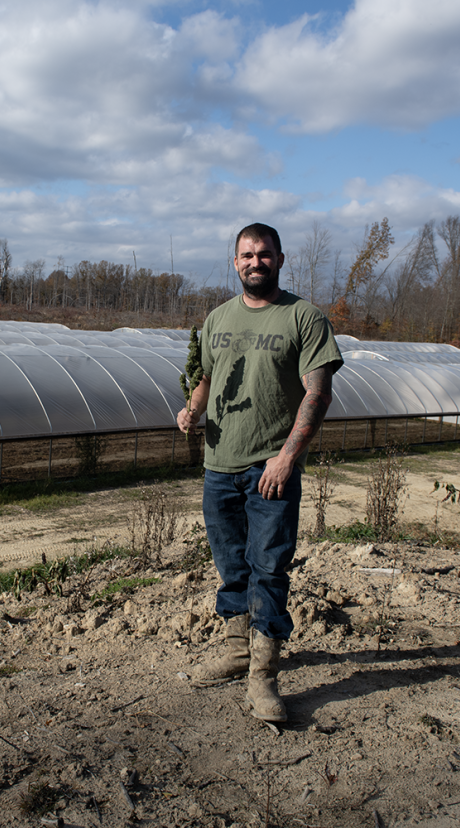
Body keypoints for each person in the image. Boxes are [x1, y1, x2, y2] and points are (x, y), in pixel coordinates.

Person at [176, 222, 342, 722]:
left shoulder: (304, 319)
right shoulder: (217, 318)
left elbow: (318, 394)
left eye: (263, 254)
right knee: (231, 566)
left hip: (271, 466)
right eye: (246, 255)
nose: (255, 262)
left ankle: (264, 677)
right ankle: (235, 651)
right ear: (235, 262)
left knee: (269, 569)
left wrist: (287, 457)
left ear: (280, 259)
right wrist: (193, 410)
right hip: (218, 465)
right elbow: (207, 375)